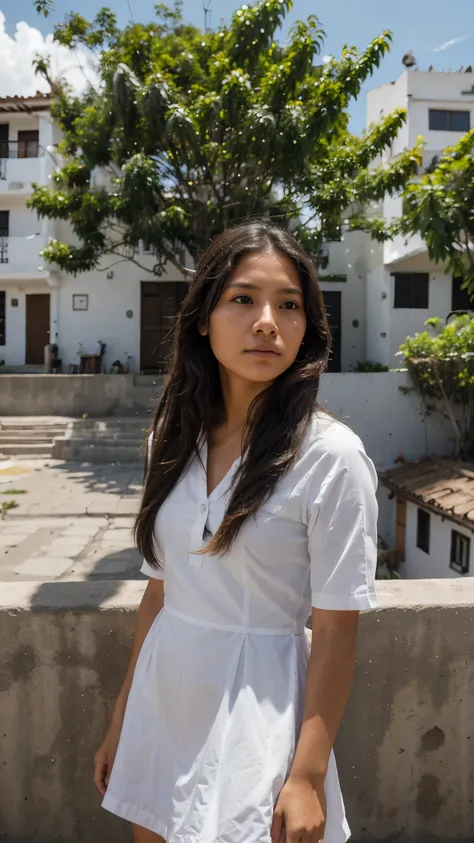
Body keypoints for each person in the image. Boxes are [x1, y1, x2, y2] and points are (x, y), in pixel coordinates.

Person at [95, 222, 379, 843]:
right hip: (164, 699)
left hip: (259, 712)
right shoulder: (169, 441)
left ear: (308, 327)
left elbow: (335, 632)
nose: (268, 322)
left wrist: (304, 776)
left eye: (289, 304)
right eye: (244, 299)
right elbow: (159, 592)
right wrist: (122, 717)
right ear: (203, 317)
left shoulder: (331, 457)